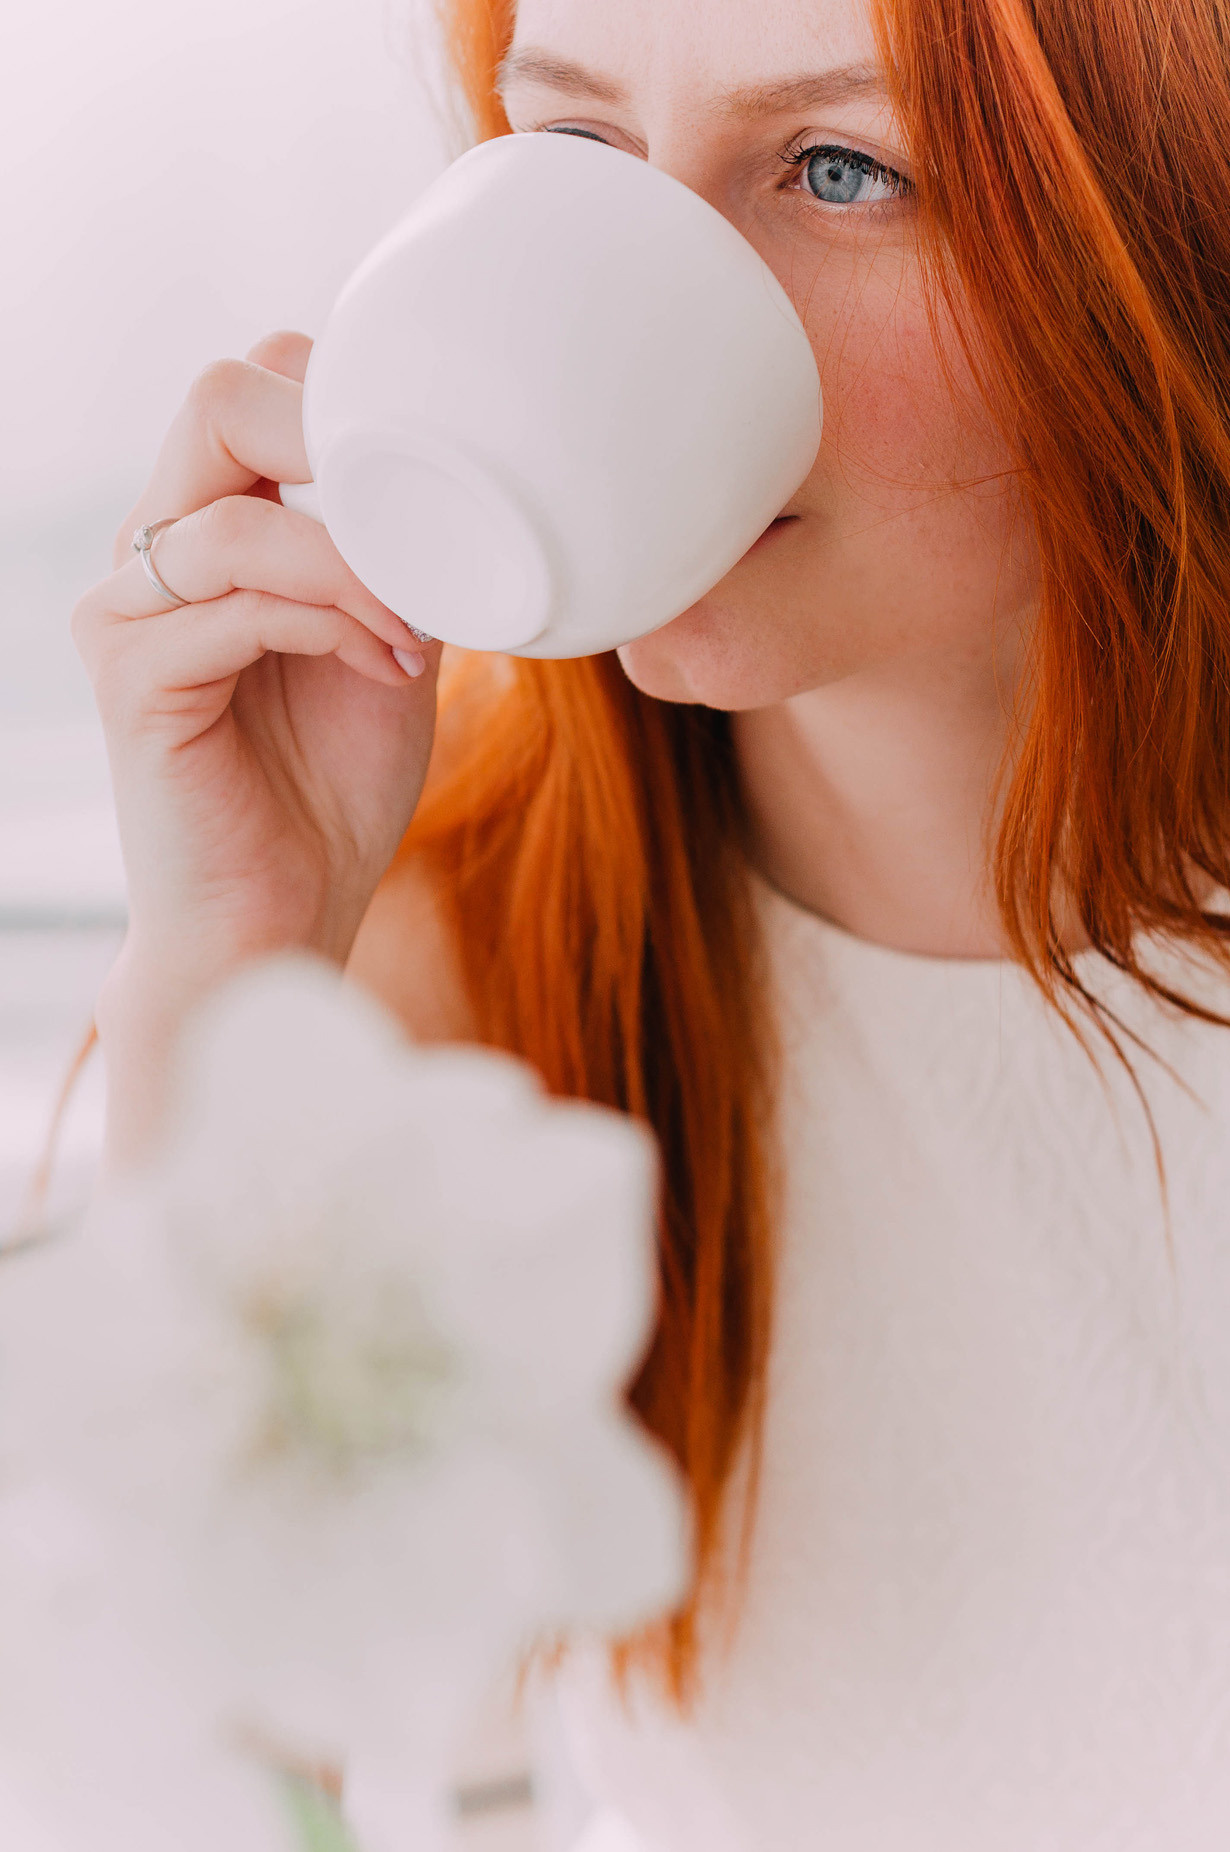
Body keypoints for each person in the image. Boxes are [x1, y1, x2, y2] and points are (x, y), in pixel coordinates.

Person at [72, 0, 1230, 1843]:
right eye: (578, 153)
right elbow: (288, 1718)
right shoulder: (449, 931)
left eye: (840, 170)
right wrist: (231, 970)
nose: (627, 287)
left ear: (1155, 239)